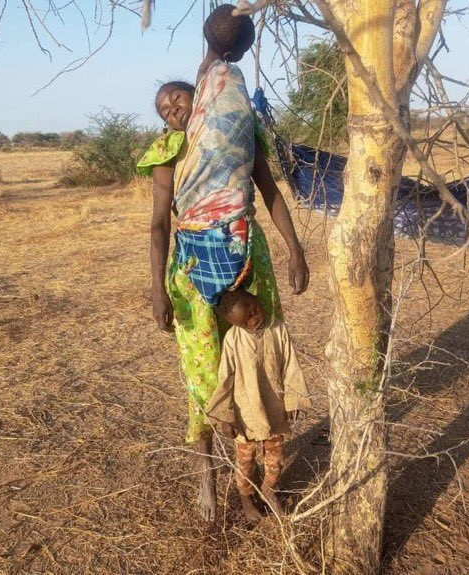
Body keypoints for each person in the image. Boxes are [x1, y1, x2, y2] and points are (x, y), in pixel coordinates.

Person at [149, 5, 309, 523]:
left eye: (178, 96)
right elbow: (158, 225)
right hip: (192, 267)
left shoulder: (237, 129)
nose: (172, 107)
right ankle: (208, 478)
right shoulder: (168, 151)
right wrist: (156, 288)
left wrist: (295, 249)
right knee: (202, 373)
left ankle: (257, 477)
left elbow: (270, 192)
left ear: (200, 96)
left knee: (257, 362)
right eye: (163, 107)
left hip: (246, 256)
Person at [205, 288, 311, 521]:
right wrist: (226, 416)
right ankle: (246, 497)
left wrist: (293, 399)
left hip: (273, 407)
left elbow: (290, 364)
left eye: (254, 311)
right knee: (245, 461)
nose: (254, 320)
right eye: (245, 322)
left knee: (275, 458)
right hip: (246, 412)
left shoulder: (278, 329)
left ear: (256, 299)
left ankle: (269, 490)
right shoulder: (232, 339)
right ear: (236, 324)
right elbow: (225, 378)